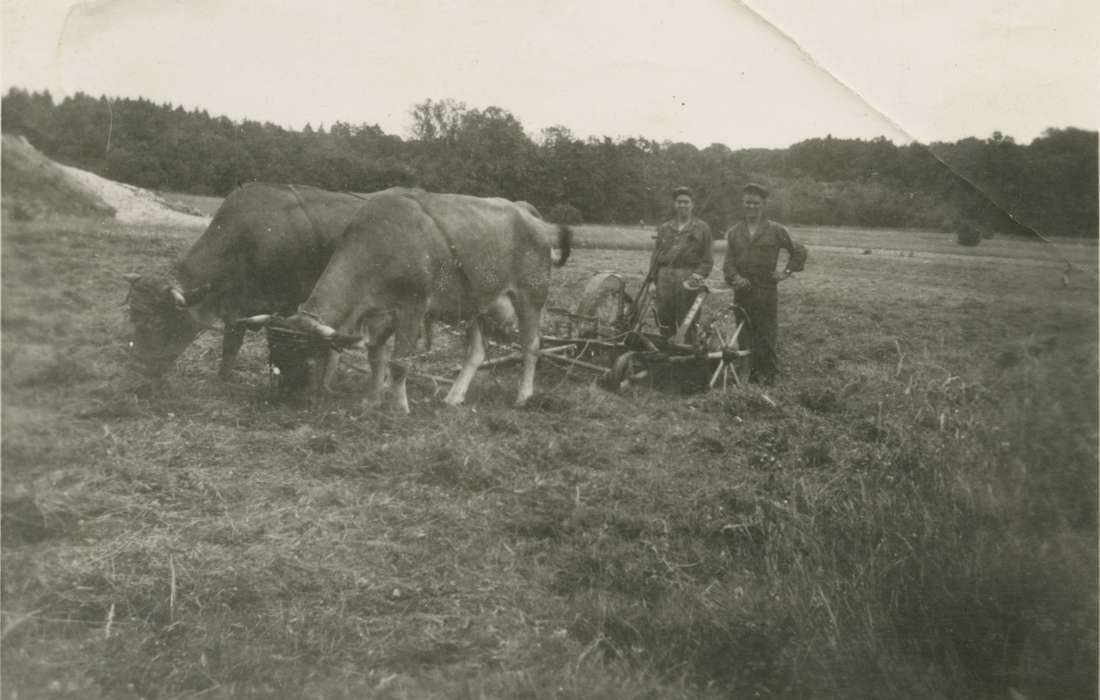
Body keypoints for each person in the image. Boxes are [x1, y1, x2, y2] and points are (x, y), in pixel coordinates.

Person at [722, 183, 807, 383]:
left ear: (763, 204)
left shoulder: (776, 230)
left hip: (765, 291)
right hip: (742, 292)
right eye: (747, 203)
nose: (751, 207)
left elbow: (799, 251)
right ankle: (746, 374)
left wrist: (785, 272)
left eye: (755, 203)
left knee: (766, 335)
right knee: (743, 335)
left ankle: (769, 377)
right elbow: (728, 263)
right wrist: (736, 278)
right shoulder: (735, 232)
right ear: (743, 204)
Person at [648, 186, 713, 338]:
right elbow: (656, 256)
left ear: (692, 204)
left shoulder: (702, 228)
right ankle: (667, 353)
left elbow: (707, 259)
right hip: (665, 278)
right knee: (664, 318)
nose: (682, 205)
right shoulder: (665, 228)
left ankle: (688, 354)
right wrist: (652, 280)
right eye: (679, 202)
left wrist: (697, 276)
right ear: (674, 204)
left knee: (688, 321)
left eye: (686, 202)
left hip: (688, 278)